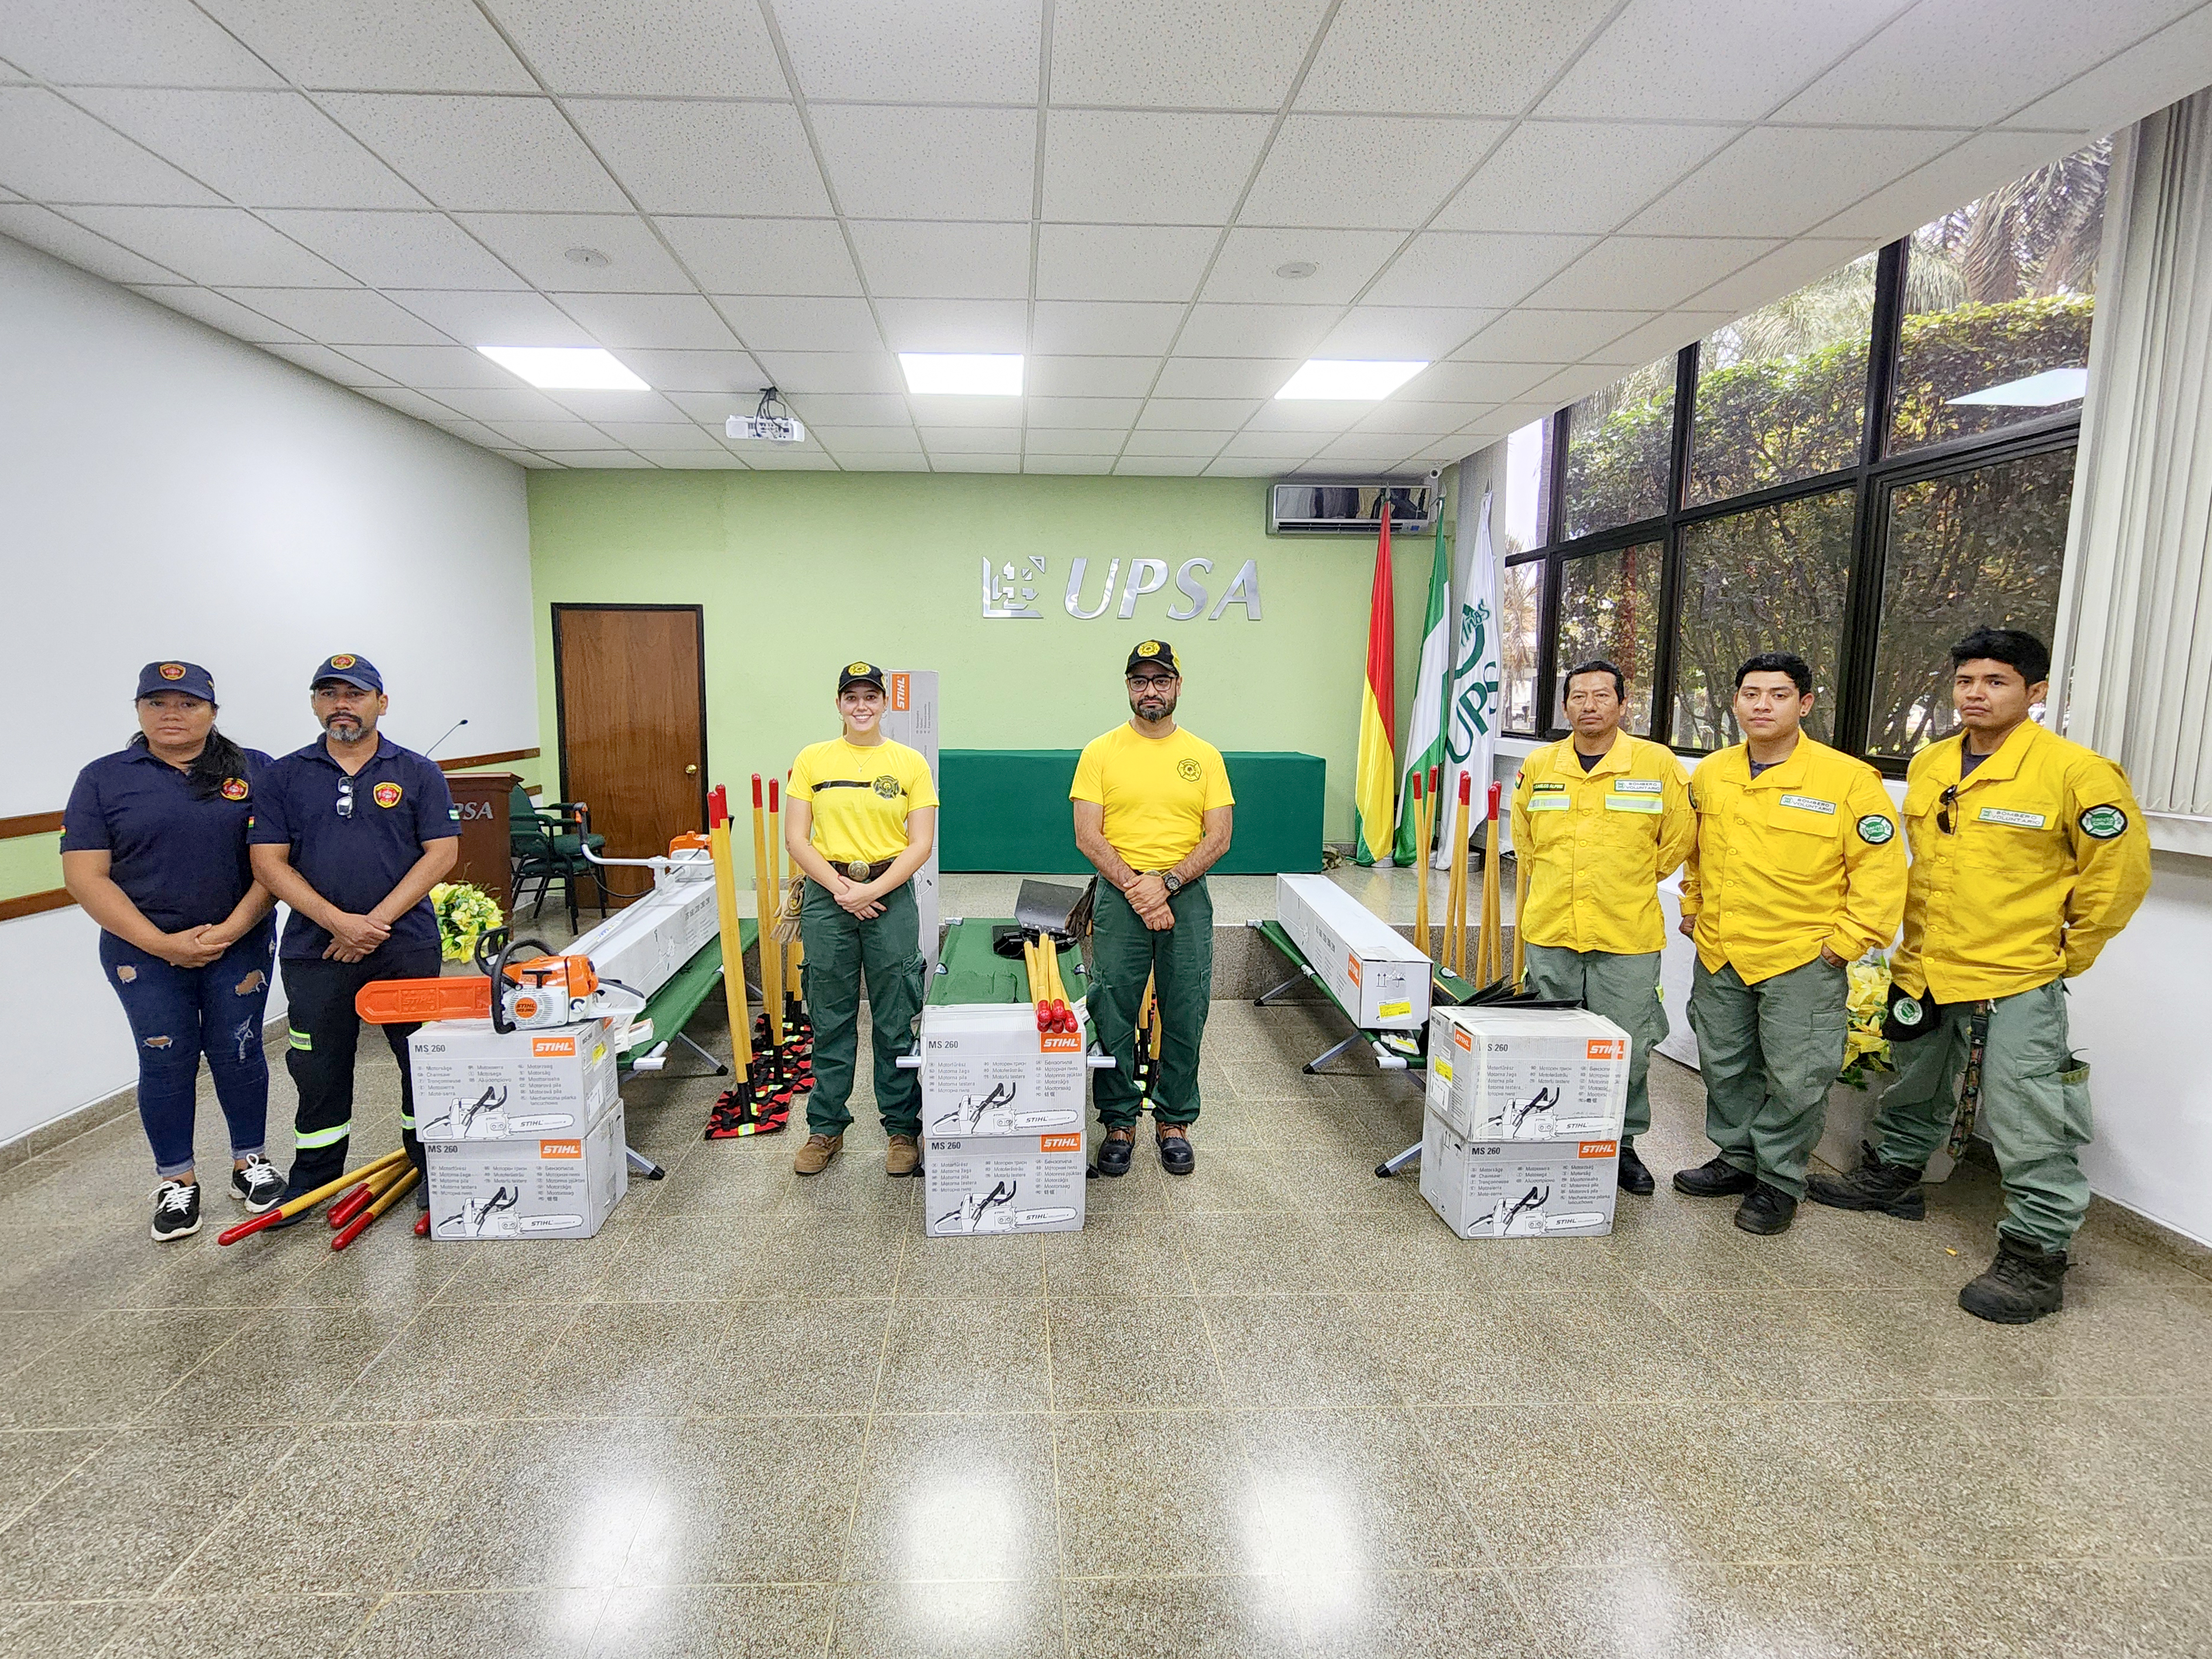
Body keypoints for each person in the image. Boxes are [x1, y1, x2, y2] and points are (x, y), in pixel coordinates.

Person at [1808, 628, 2149, 1322]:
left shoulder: (2076, 773)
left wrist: (2067, 953)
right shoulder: (1934, 762)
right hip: (1928, 964)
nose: (1976, 693)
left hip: (2015, 974)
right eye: (1967, 681)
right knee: (1917, 1080)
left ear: (2036, 692)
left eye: (1996, 682)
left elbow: (2117, 879)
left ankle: (2035, 1255)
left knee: (2030, 1115)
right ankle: (1895, 1178)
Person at [1675, 652, 1905, 1235]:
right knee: (1725, 1064)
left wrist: (1848, 943)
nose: (1762, 705)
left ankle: (1779, 1180)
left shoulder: (1847, 780)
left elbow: (1880, 871)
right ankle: (1737, 1158)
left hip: (1801, 955)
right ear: (1735, 701)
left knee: (1796, 1073)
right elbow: (1696, 852)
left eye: (1778, 695)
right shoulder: (1712, 774)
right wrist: (1694, 908)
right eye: (1750, 693)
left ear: (1804, 704)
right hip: (1722, 949)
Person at [60, 662, 284, 1241]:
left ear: (212, 711)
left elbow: (275, 861)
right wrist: (161, 943)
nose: (171, 715)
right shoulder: (104, 779)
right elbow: (86, 876)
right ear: (138, 711)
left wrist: (232, 929)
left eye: (186, 704)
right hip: (142, 949)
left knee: (239, 1049)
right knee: (165, 1056)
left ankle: (249, 1162)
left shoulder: (254, 769)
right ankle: (176, 1181)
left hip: (241, 941)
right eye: (157, 703)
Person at [248, 655, 458, 1211]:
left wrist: (374, 923)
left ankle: (431, 1164)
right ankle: (313, 1177)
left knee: (422, 1058)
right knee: (318, 1066)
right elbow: (269, 862)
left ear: (381, 703)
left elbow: (442, 853)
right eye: (329, 693)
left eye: (356, 693)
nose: (342, 703)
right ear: (315, 703)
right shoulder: (284, 776)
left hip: (404, 944)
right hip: (315, 950)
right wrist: (338, 923)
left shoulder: (417, 772)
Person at [1508, 660, 1695, 1196]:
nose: (1590, 705)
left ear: (1622, 703)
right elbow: (1526, 839)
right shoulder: (1540, 764)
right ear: (1565, 706)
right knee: (1549, 1042)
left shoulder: (1656, 764)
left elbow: (1677, 841)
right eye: (1578, 696)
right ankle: (1550, 1132)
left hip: (1626, 935)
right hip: (1551, 930)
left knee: (1628, 1045)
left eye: (1602, 695)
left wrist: (1626, 879)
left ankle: (1621, 1145)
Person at [1073, 640, 1234, 1177]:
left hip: (1185, 898)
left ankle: (1175, 1119)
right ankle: (1119, 1118)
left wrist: (1165, 883)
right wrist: (1137, 888)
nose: (1150, 690)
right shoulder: (1101, 751)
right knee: (1111, 1005)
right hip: (1120, 898)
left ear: (1177, 686)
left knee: (1186, 1007)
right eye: (1140, 681)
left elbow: (1219, 837)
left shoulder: (1204, 756)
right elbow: (1087, 836)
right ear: (1128, 687)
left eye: (1160, 680)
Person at [782, 661, 939, 1176]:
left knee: (895, 1017)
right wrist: (842, 889)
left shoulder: (910, 763)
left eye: (871, 697)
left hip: (889, 892)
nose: (862, 706)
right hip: (830, 896)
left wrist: (871, 889)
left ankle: (900, 1129)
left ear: (885, 704)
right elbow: (798, 839)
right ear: (839, 704)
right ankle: (826, 1129)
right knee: (830, 1017)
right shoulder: (812, 759)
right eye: (852, 698)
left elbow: (920, 843)